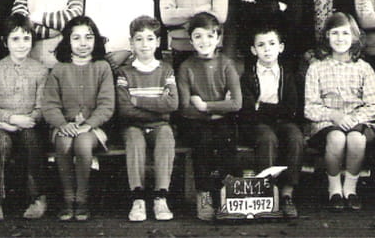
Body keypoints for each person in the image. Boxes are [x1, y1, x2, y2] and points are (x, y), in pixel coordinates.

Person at [304, 12, 375, 212]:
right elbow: (310, 107)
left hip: (359, 121)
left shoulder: (364, 68)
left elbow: (374, 104)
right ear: (327, 36)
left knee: (356, 139)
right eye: (335, 33)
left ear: (355, 37)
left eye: (345, 33)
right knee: (337, 138)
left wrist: (353, 119)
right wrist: (334, 116)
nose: (340, 38)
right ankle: (334, 190)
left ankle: (350, 189)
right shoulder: (316, 68)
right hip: (327, 122)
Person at [42, 16, 115, 222]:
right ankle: (68, 199)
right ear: (68, 41)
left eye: (88, 37)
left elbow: (107, 105)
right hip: (64, 126)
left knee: (82, 144)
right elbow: (50, 105)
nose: (83, 43)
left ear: (95, 40)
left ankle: (82, 199)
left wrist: (88, 125)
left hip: (93, 128)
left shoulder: (102, 67)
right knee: (64, 143)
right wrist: (62, 124)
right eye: (76, 38)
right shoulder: (59, 69)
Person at [176, 12, 242, 221]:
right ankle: (204, 194)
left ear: (218, 38)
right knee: (202, 141)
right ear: (191, 40)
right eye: (198, 36)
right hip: (195, 122)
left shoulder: (226, 64)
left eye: (210, 36)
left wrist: (206, 106)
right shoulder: (186, 67)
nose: (204, 41)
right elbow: (184, 107)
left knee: (227, 139)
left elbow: (237, 103)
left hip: (220, 120)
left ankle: (227, 193)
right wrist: (217, 110)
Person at [0, 14, 49, 221]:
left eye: (26, 38)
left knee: (31, 141)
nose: (21, 44)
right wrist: (11, 120)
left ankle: (37, 197)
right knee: (0, 144)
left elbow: (41, 108)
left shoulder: (40, 70)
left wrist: (26, 121)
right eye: (15, 39)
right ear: (5, 42)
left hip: (30, 125)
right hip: (0, 125)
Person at [116, 16, 178, 222]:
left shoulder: (166, 70)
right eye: (139, 39)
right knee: (134, 139)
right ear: (131, 43)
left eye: (150, 39)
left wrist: (137, 100)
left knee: (166, 135)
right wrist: (158, 108)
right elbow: (125, 109)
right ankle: (138, 198)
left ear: (158, 42)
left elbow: (172, 105)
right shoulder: (124, 72)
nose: (144, 44)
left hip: (160, 126)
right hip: (133, 126)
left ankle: (161, 197)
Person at [238, 23, 303, 219]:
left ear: (280, 47)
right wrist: (272, 110)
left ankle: (287, 194)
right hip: (257, 126)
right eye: (261, 45)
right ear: (253, 50)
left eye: (272, 44)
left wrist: (261, 107)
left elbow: (291, 109)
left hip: (283, 123)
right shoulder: (247, 77)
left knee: (295, 137)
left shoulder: (288, 76)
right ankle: (266, 192)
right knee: (267, 138)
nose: (267, 49)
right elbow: (248, 110)